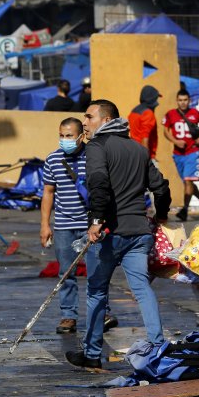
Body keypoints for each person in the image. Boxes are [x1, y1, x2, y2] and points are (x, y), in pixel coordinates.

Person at [65, 99, 171, 370]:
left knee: (97, 292)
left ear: (106, 120)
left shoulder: (97, 147)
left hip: (110, 234)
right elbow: (160, 187)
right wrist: (161, 215)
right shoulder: (138, 149)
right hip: (138, 232)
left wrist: (98, 220)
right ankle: (158, 346)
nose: (84, 123)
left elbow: (99, 183)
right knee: (141, 289)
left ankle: (91, 355)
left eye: (89, 117)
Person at [40, 117, 118, 335]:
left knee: (98, 271)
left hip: (91, 225)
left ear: (81, 136)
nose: (64, 140)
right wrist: (45, 225)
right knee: (66, 273)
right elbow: (48, 193)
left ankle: (102, 312)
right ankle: (68, 315)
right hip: (64, 225)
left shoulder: (93, 157)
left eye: (69, 136)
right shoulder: (53, 160)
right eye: (61, 136)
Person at [162, 89, 199, 221]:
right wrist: (175, 141)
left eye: (185, 100)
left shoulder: (195, 113)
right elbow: (165, 131)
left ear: (189, 100)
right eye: (180, 100)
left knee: (188, 181)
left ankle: (184, 210)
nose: (183, 103)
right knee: (187, 183)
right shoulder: (171, 114)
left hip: (192, 152)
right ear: (177, 101)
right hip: (178, 154)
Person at [128, 85, 161, 161]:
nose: (157, 102)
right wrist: (147, 159)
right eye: (156, 99)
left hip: (133, 153)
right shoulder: (148, 113)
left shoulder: (134, 111)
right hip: (143, 156)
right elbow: (144, 137)